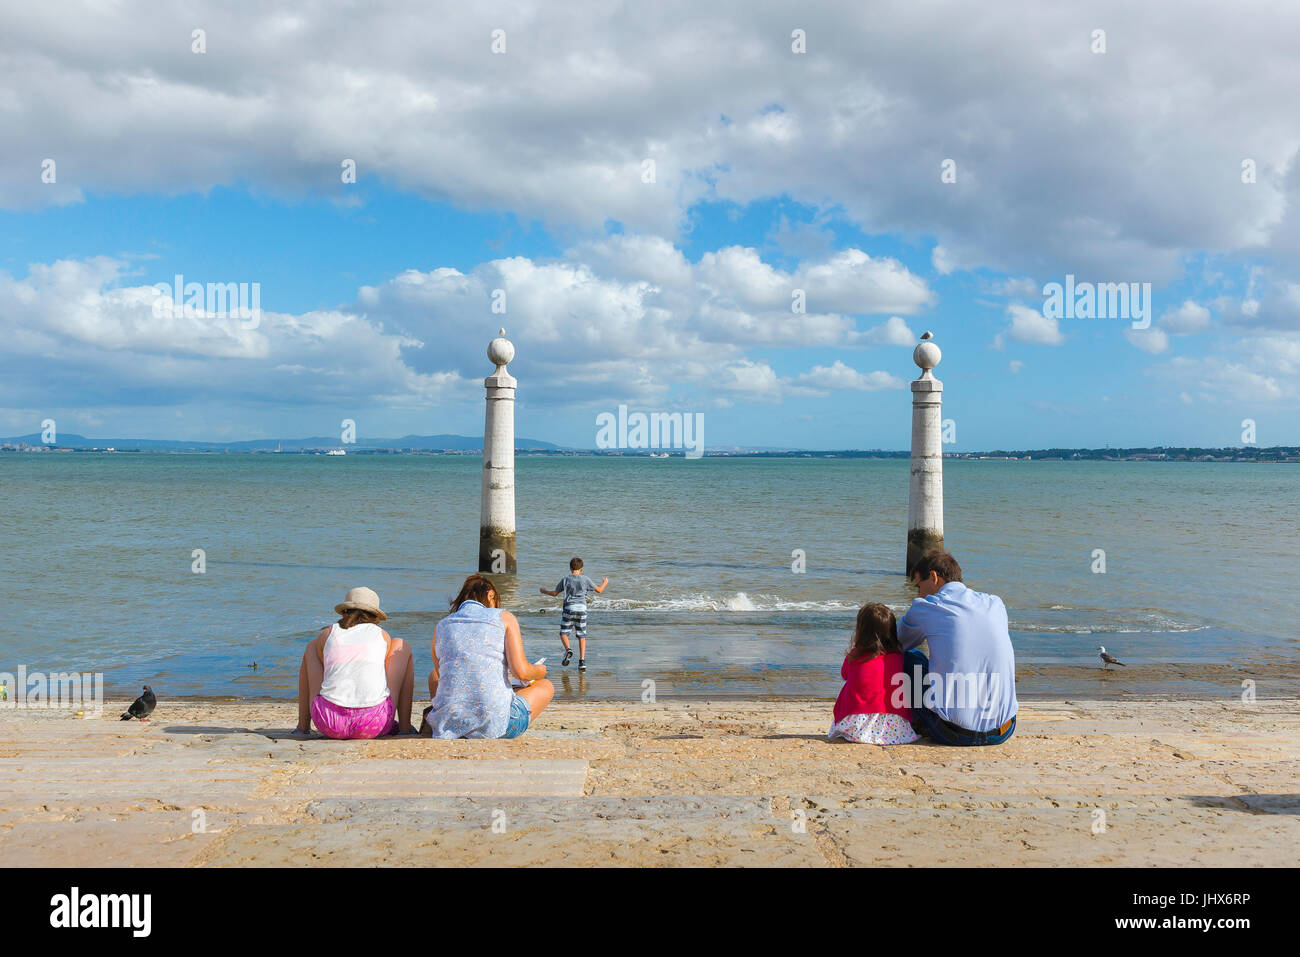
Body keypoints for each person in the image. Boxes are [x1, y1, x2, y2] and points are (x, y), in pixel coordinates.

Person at [896, 551, 1018, 746]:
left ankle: (903, 720)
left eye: (919, 586)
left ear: (934, 577)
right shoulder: (995, 603)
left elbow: (894, 643)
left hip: (954, 733)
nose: (918, 594)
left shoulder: (926, 606)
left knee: (911, 659)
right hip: (1004, 729)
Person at [424, 573, 554, 739]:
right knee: (546, 686)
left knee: (433, 676)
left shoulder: (441, 625)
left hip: (448, 727)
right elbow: (521, 673)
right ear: (490, 595)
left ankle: (451, 720)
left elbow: (444, 677)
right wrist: (538, 671)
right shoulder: (504, 617)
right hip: (495, 727)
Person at [295, 586, 414, 738]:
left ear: (344, 612)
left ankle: (302, 727)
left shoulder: (328, 633)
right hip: (374, 723)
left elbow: (325, 666)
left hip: (328, 723)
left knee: (312, 646)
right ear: (376, 617)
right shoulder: (382, 635)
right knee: (401, 644)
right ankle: (405, 727)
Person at [829, 603, 919, 745]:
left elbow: (844, 674)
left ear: (861, 631)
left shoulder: (855, 656)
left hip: (855, 725)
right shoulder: (899, 657)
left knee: (850, 684)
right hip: (896, 727)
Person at [539, 557, 609, 671]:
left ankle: (568, 650)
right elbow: (599, 590)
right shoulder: (585, 579)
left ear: (570, 568)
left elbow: (555, 593)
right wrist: (605, 582)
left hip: (569, 608)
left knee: (563, 633)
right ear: (581, 569)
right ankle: (582, 662)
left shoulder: (565, 579)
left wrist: (545, 591)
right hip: (582, 609)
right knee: (582, 636)